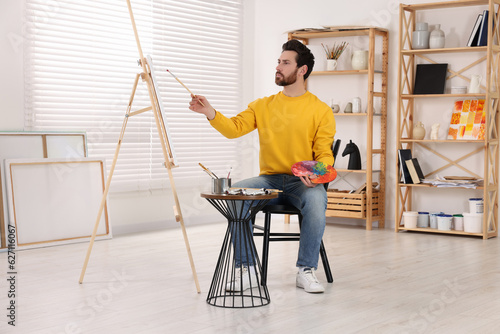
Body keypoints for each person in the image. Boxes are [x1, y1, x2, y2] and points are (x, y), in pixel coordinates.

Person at [189, 39, 336, 293]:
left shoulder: (320, 110)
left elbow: (325, 155)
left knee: (315, 201)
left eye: (285, 63)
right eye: (278, 61)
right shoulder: (263, 105)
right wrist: (210, 111)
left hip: (301, 183)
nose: (278, 67)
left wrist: (316, 174)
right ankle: (246, 269)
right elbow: (234, 129)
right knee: (236, 196)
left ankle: (306, 270)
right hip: (268, 181)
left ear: (302, 70)